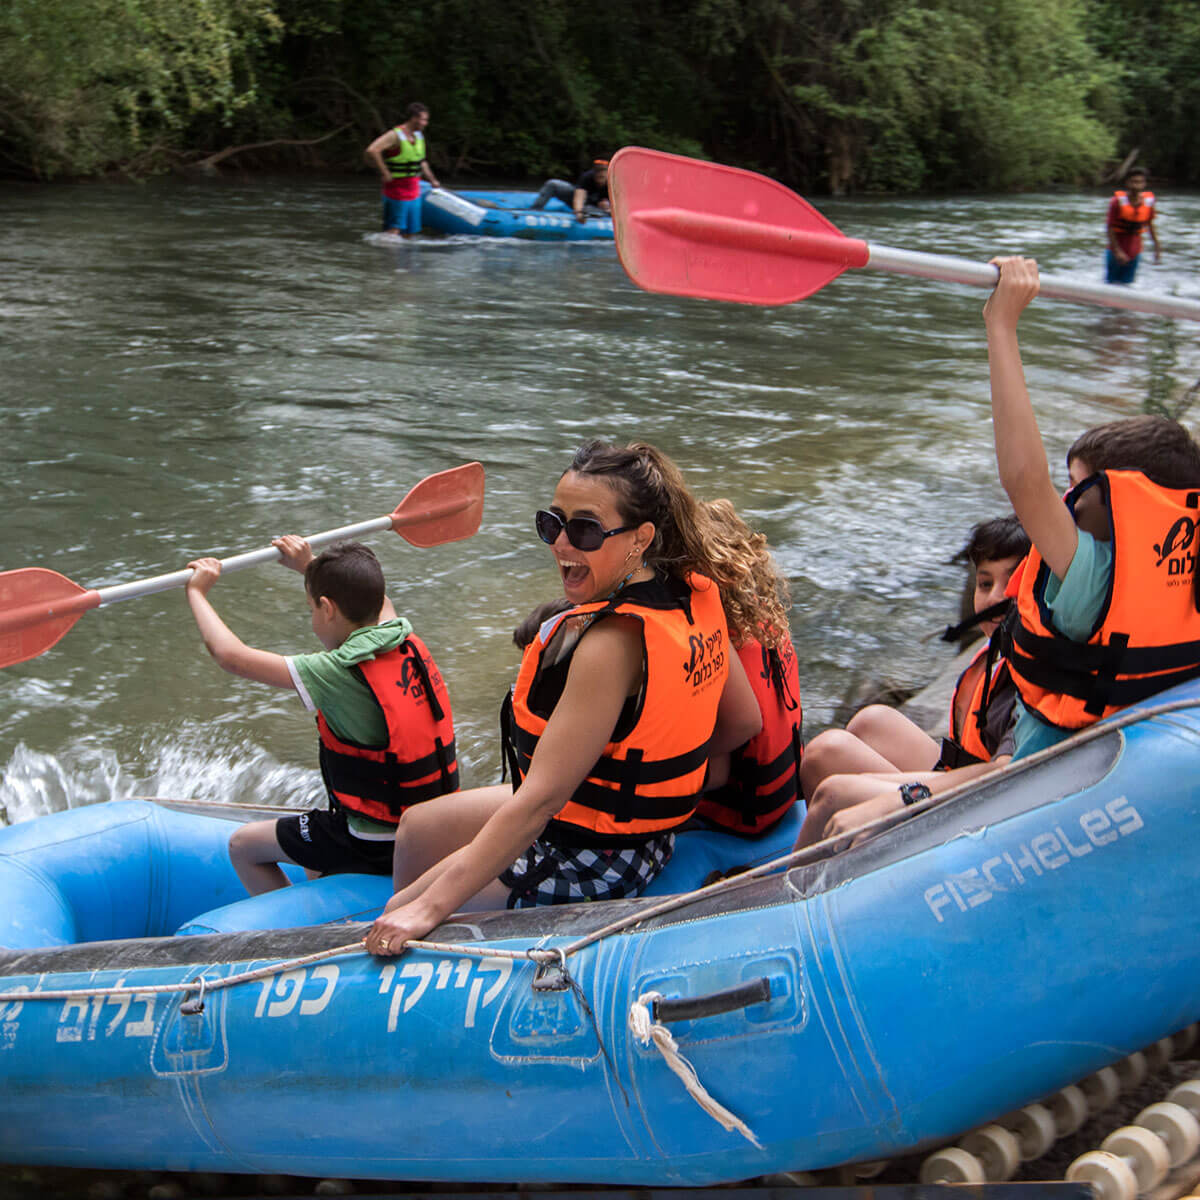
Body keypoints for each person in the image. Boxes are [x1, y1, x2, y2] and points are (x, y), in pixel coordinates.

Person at [363, 440, 764, 955]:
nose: (561, 544)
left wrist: (426, 910)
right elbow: (743, 721)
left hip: (592, 858)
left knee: (399, 912)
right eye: (554, 523)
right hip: (640, 831)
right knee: (419, 827)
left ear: (641, 537)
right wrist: (652, 777)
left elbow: (542, 801)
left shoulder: (612, 643)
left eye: (586, 529)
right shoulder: (692, 592)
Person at [985, 257, 1200, 762]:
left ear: (1125, 499)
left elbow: (1024, 479)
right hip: (1109, 755)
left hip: (1034, 780)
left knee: (835, 782)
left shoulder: (1092, 573)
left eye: (1078, 488)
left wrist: (1002, 322)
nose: (1065, 501)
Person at [184, 537, 458, 895]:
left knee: (243, 845)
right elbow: (380, 599)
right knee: (312, 842)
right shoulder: (401, 635)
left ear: (327, 609)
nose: (313, 618)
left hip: (372, 842)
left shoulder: (335, 672)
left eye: (312, 608)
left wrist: (197, 592)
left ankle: (294, 932)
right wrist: (309, 566)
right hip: (429, 828)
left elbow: (230, 656)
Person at [794, 516, 1029, 849]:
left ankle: (815, 874)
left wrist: (904, 796)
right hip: (974, 775)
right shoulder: (1002, 649)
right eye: (985, 583)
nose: (994, 598)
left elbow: (1010, 769)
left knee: (824, 754)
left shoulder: (1032, 669)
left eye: (1010, 582)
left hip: (986, 805)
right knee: (871, 721)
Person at [692, 499, 804, 837]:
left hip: (740, 816)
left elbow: (718, 773)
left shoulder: (715, 646)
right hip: (784, 793)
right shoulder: (765, 620)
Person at [364, 103, 442, 236]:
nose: (425, 123)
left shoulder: (419, 136)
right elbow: (372, 150)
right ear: (413, 118)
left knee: (411, 232)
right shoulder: (395, 135)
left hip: (413, 191)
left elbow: (421, 162)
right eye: (423, 119)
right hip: (396, 191)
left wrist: (433, 180)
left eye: (426, 120)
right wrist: (385, 172)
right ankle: (387, 255)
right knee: (394, 230)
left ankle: (407, 257)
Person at [1105, 167, 1161, 285]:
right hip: (1115, 250)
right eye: (1133, 182)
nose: (1136, 186)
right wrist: (1117, 251)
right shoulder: (1116, 202)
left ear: (1144, 184)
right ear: (1127, 183)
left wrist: (1157, 247)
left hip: (1135, 251)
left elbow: (1150, 225)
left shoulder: (1148, 203)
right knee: (1111, 283)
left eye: (1140, 182)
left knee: (1127, 284)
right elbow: (1110, 228)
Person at [529, 159, 610, 222]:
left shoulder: (613, 183)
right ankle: (534, 211)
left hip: (595, 208)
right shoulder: (587, 177)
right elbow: (579, 196)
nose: (600, 174)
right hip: (578, 201)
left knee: (597, 210)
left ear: (608, 173)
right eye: (597, 171)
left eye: (603, 171)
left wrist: (608, 208)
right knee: (552, 184)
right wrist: (578, 212)